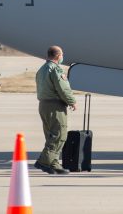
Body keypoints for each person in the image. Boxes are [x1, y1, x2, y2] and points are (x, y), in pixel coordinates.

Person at [34, 45, 77, 175]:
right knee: (59, 135)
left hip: (43, 105)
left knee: (51, 135)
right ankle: (44, 161)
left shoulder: (42, 69)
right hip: (55, 106)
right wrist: (72, 101)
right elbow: (62, 88)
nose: (63, 57)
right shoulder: (55, 69)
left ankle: (54, 164)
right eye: (62, 54)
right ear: (58, 56)